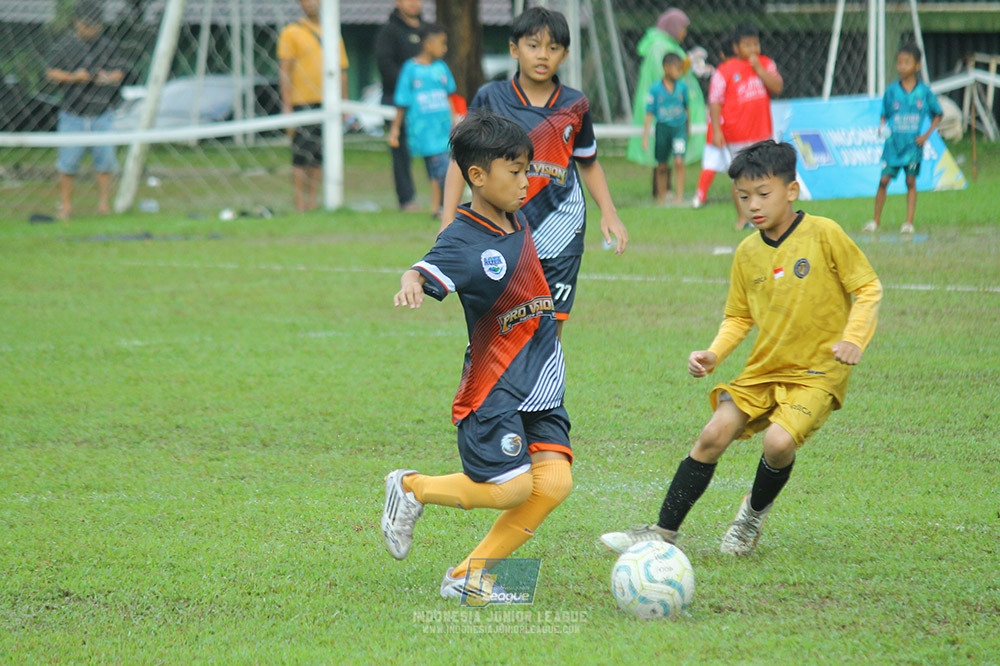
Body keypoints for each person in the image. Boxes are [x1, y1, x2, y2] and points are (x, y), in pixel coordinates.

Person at [600, 141, 882, 557]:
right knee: (713, 433)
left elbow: (868, 287)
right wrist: (714, 353)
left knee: (778, 444)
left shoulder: (825, 234)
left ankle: (750, 517)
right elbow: (738, 316)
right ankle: (662, 533)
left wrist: (853, 338)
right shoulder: (747, 253)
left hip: (817, 372)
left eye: (763, 194)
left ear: (791, 190)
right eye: (743, 196)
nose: (753, 205)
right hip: (764, 369)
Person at [383, 111, 573, 600]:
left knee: (552, 484)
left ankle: (468, 576)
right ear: (477, 176)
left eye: (527, 168)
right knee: (511, 488)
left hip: (542, 378)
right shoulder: (462, 240)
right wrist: (410, 282)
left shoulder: (517, 214)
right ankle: (410, 488)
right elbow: (422, 269)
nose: (526, 181)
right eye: (514, 171)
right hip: (495, 387)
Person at [440, 7, 629, 338]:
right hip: (502, 230)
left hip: (561, 231)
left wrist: (609, 212)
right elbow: (461, 163)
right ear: (514, 49)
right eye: (533, 45)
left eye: (553, 47)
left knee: (548, 328)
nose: (543, 55)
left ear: (565, 54)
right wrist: (447, 222)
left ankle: (546, 388)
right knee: (504, 325)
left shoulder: (576, 105)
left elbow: (589, 162)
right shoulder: (490, 97)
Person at [694, 25, 783, 229]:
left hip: (762, 132)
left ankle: (765, 216)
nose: (752, 49)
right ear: (736, 47)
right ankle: (743, 217)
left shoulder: (766, 64)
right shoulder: (725, 71)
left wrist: (758, 69)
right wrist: (716, 130)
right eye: (747, 45)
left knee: (765, 176)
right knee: (741, 178)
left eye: (755, 44)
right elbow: (715, 101)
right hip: (736, 134)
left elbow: (777, 87)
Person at [45, 0, 126, 220]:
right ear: (77, 22)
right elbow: (50, 73)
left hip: (102, 113)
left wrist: (107, 78)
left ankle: (103, 205)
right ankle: (66, 206)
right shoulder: (64, 45)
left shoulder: (107, 45)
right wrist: (74, 77)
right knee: (67, 163)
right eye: (86, 24)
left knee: (105, 161)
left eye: (94, 25)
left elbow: (120, 72)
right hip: (73, 114)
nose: (90, 29)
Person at [277, 0, 350, 212]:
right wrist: (287, 104)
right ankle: (300, 204)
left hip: (328, 102)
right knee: (301, 157)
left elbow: (342, 70)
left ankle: (313, 201)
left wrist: (344, 102)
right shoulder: (291, 32)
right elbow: (285, 69)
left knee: (319, 156)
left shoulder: (333, 32)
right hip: (301, 102)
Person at [627, 7, 706, 199]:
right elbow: (667, 73)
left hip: (672, 112)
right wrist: (687, 64)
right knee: (661, 152)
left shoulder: (665, 44)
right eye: (682, 28)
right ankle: (662, 191)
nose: (684, 33)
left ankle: (668, 191)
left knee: (671, 152)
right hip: (662, 108)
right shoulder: (660, 47)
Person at [864, 43, 942, 234]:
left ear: (917, 66)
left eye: (906, 62)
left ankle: (908, 222)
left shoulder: (923, 92)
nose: (902, 66)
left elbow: (938, 114)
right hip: (893, 145)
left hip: (913, 146)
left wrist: (926, 135)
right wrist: (882, 126)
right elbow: (884, 113)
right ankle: (875, 220)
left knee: (910, 182)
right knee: (883, 180)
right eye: (899, 62)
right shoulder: (892, 91)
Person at [389, 24, 456, 218]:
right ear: (428, 44)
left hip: (443, 128)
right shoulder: (411, 69)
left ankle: (438, 208)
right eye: (441, 43)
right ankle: (441, 207)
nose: (444, 48)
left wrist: (455, 122)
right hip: (424, 131)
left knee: (438, 168)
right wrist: (395, 129)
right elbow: (403, 102)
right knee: (438, 166)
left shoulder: (441, 68)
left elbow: (450, 96)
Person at [375, 0, 426, 212]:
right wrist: (409, 89)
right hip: (396, 103)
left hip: (427, 104)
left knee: (436, 150)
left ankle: (441, 198)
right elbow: (385, 66)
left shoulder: (427, 31)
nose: (413, 3)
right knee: (401, 152)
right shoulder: (388, 31)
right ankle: (407, 200)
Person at [642, 53, 689, 206]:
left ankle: (679, 197)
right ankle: (661, 198)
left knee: (679, 161)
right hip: (662, 129)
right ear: (666, 68)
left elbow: (686, 109)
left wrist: (688, 128)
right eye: (677, 68)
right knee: (661, 165)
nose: (679, 72)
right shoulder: (655, 89)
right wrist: (645, 136)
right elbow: (649, 113)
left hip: (679, 129)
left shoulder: (682, 87)